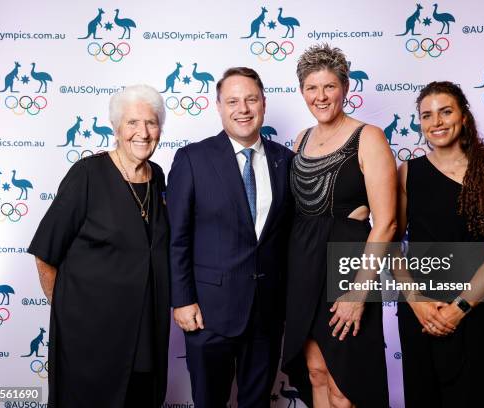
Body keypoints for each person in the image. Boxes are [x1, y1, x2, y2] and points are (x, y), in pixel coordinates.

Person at [28, 85, 170, 408]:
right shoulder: (87, 174)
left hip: (145, 337)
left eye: (151, 123)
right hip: (90, 342)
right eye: (132, 123)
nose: (143, 132)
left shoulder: (158, 177)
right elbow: (45, 252)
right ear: (117, 128)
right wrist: (71, 314)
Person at [166, 67, 294, 407]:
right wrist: (182, 299)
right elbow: (177, 237)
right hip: (208, 313)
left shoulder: (286, 160)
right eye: (233, 101)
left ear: (263, 104)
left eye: (251, 99)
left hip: (266, 313)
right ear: (219, 107)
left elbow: (294, 232)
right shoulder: (193, 158)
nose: (243, 109)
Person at [282, 44, 396, 407]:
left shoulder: (369, 137)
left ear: (345, 89)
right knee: (316, 371)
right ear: (302, 92)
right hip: (303, 265)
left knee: (346, 385)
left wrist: (359, 293)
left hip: (347, 265)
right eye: (312, 88)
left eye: (329, 86)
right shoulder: (300, 139)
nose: (321, 96)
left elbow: (387, 223)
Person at [395, 81, 484, 407]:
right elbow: (391, 246)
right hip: (419, 312)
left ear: (463, 116)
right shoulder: (407, 172)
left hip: (474, 310)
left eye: (445, 111)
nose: (435, 122)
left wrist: (459, 309)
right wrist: (417, 302)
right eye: (426, 115)